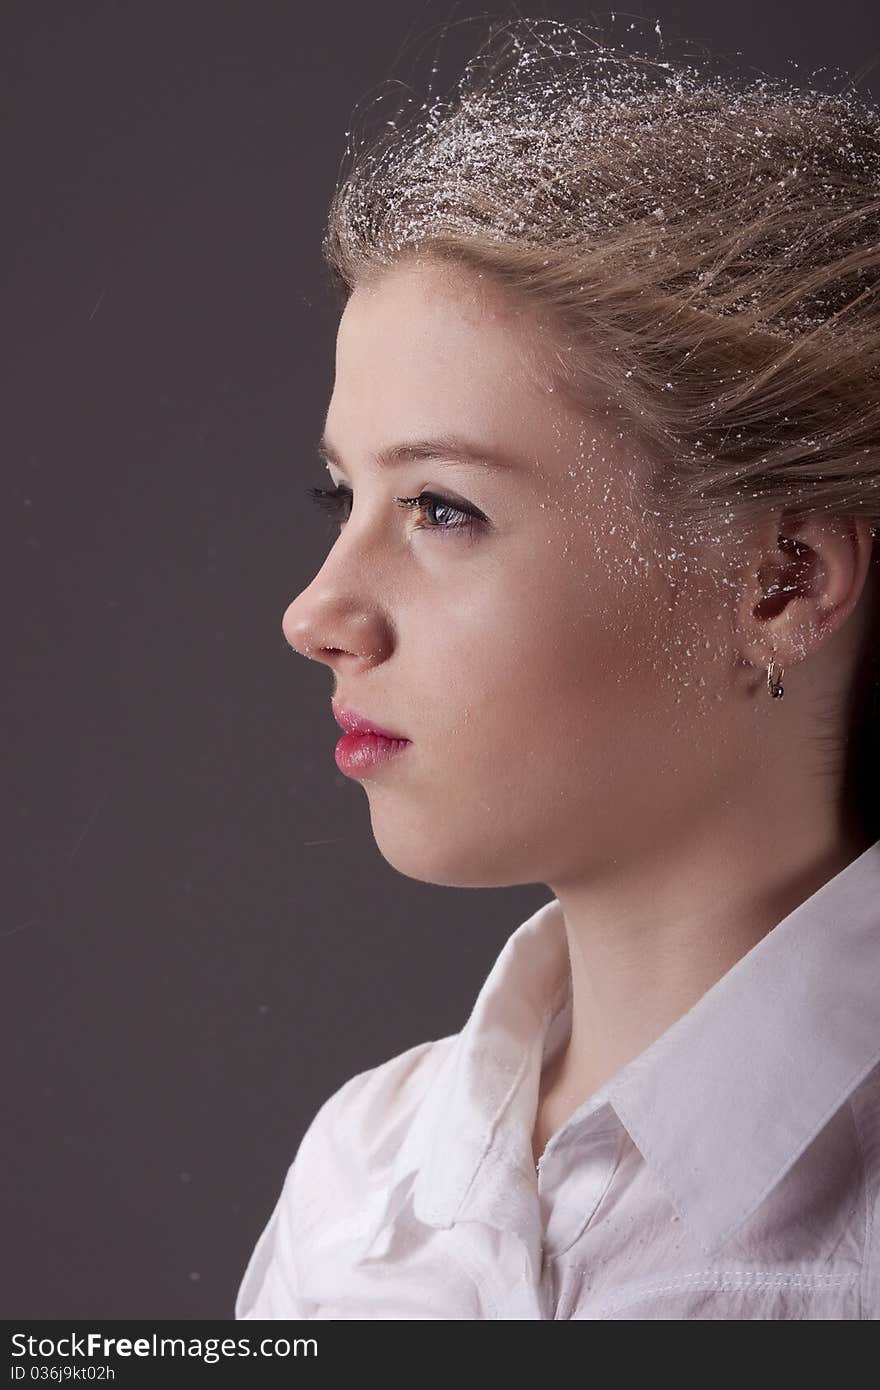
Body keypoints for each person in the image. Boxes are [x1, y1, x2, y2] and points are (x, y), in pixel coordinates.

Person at [235, 16, 880, 1318]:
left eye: (441, 509)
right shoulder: (357, 1187)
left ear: (786, 578)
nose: (318, 611)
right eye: (341, 496)